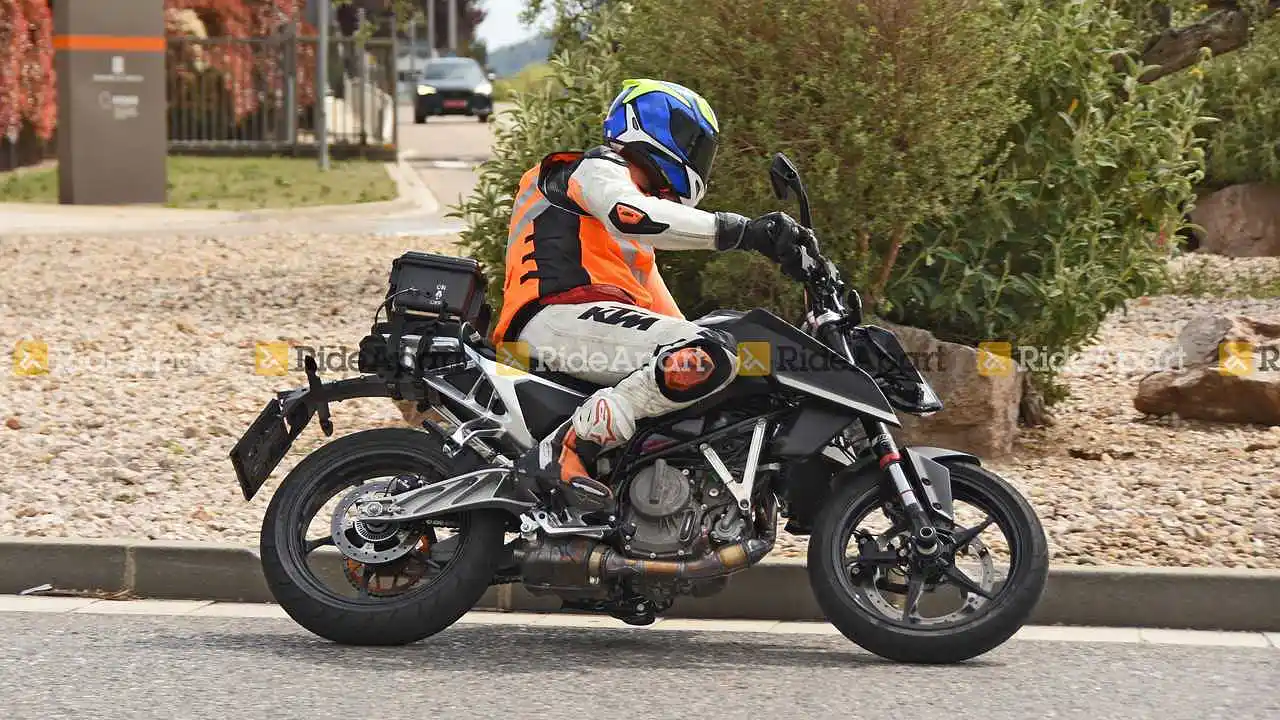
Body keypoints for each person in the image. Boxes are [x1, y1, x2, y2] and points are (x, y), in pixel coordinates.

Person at [491, 78, 814, 516]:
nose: (697, 157)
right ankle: (569, 449)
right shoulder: (595, 170)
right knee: (710, 351)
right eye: (691, 141)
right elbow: (632, 215)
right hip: (553, 319)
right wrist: (745, 231)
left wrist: (773, 359)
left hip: (590, 325)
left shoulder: (635, 244)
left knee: (722, 351)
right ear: (652, 124)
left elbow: (682, 331)